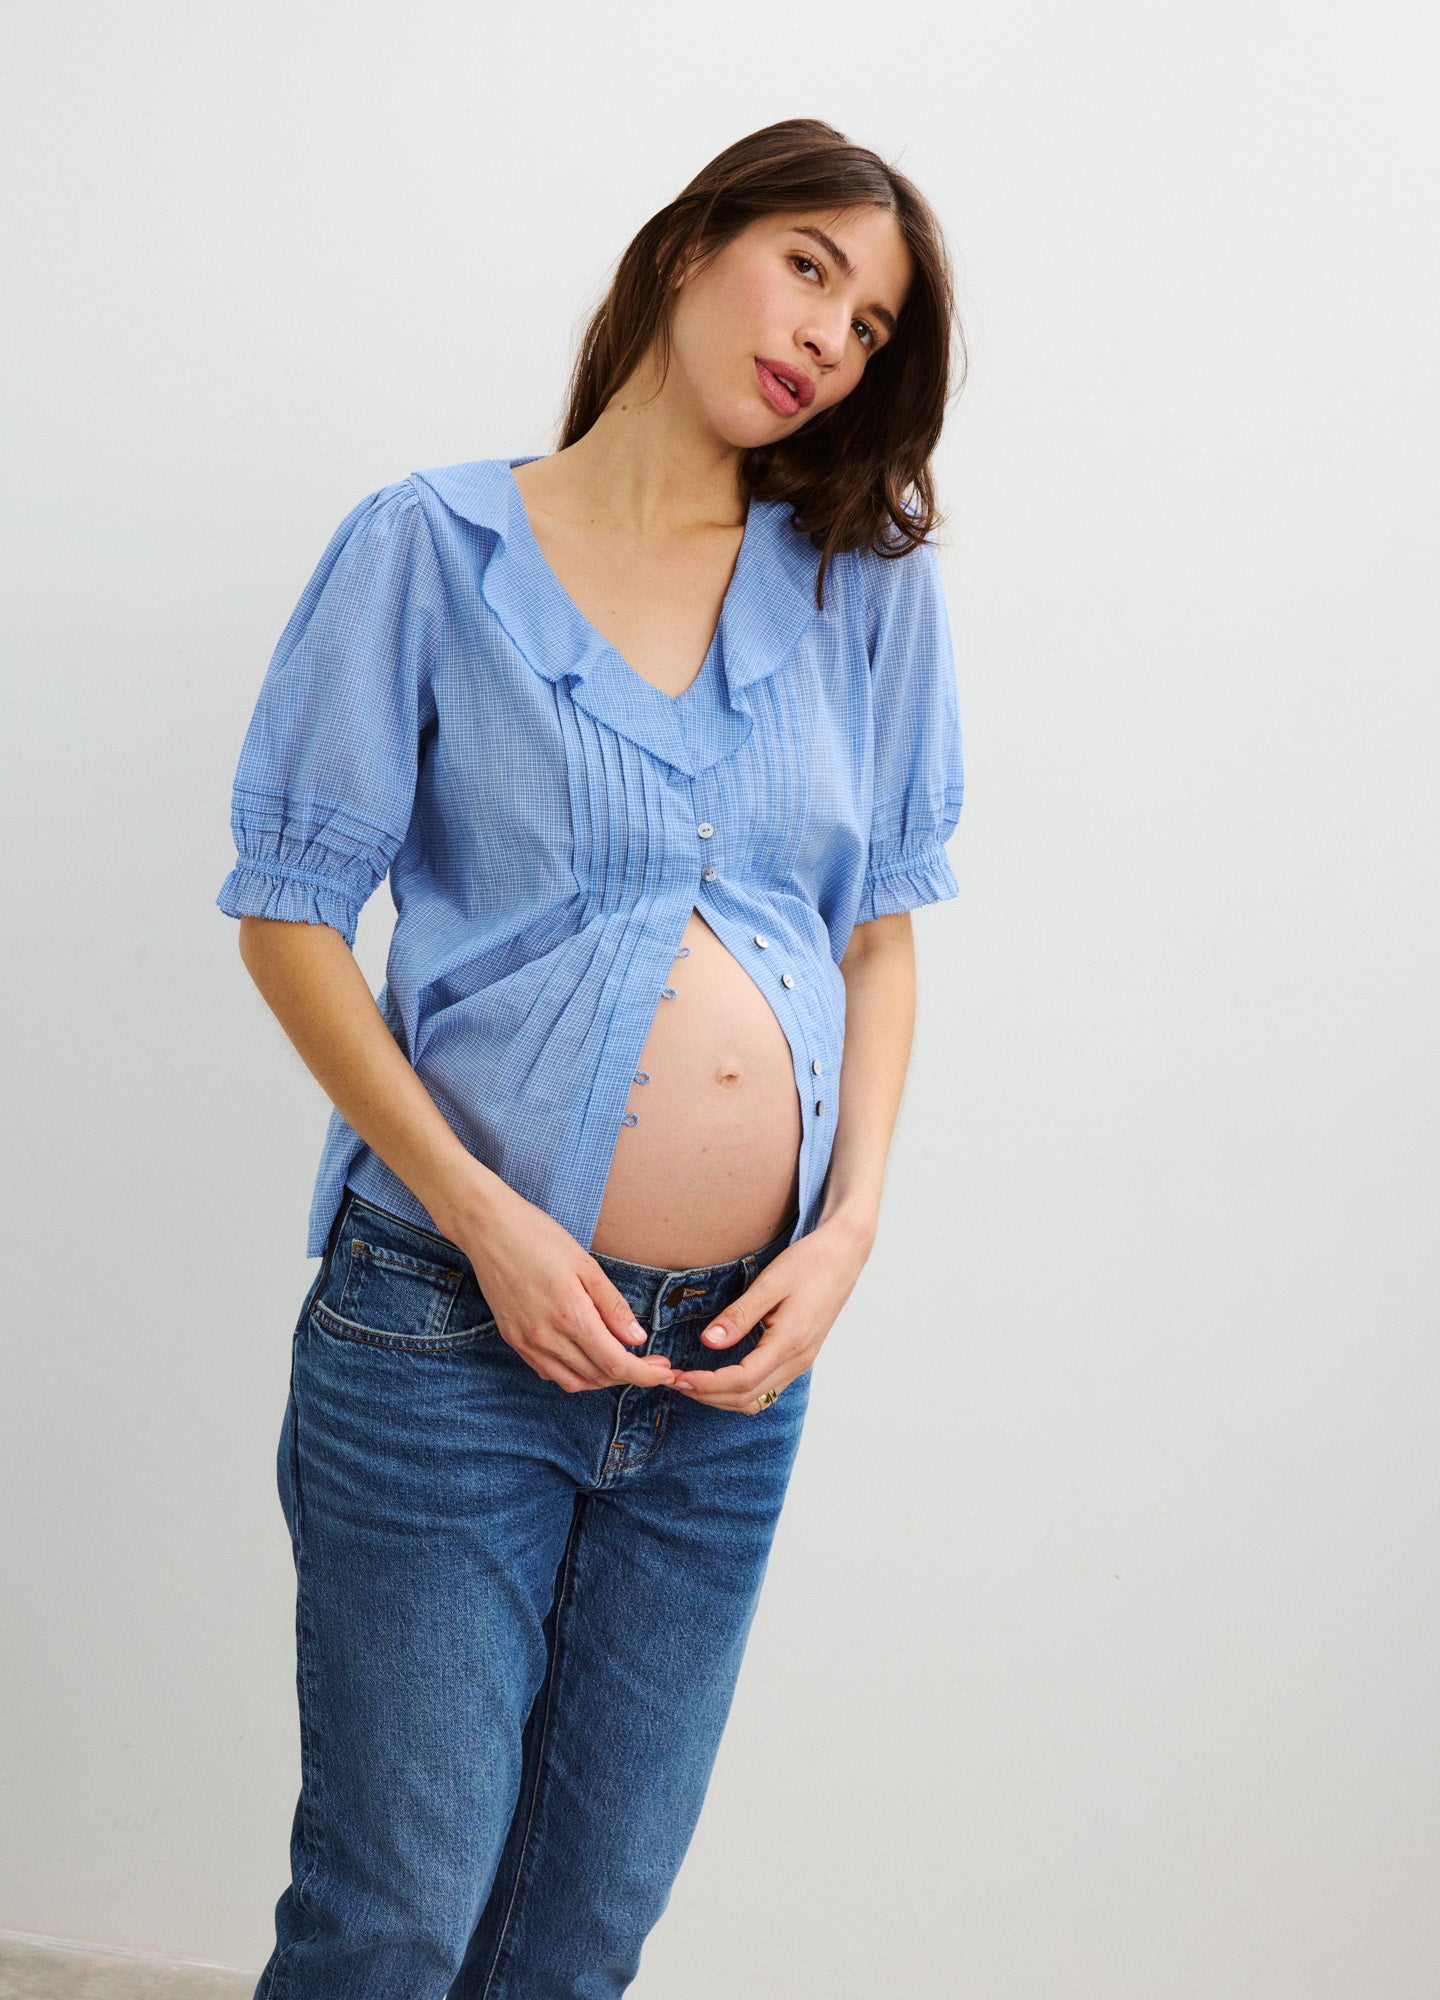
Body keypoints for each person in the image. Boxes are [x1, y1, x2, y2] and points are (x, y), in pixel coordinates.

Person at [216, 115, 966, 2000]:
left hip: (729, 1372)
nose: (830, 338)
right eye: (809, 265)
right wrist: (483, 1220)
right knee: (395, 1916)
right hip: (445, 1336)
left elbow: (876, 934)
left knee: (579, 1933)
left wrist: (851, 1229)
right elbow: (290, 918)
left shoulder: (863, 588)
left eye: (872, 326)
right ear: (689, 245)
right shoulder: (433, 548)